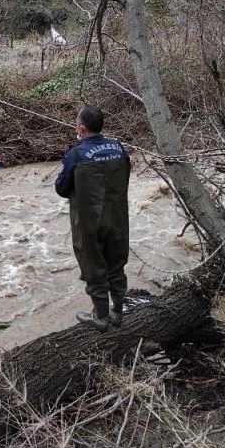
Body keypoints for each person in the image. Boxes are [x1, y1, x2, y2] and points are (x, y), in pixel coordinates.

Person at [55, 105, 131, 331]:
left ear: (81, 127)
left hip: (89, 221)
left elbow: (61, 188)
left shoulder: (75, 154)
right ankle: (117, 311)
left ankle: (101, 316)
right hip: (118, 217)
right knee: (116, 265)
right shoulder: (119, 148)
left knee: (94, 267)